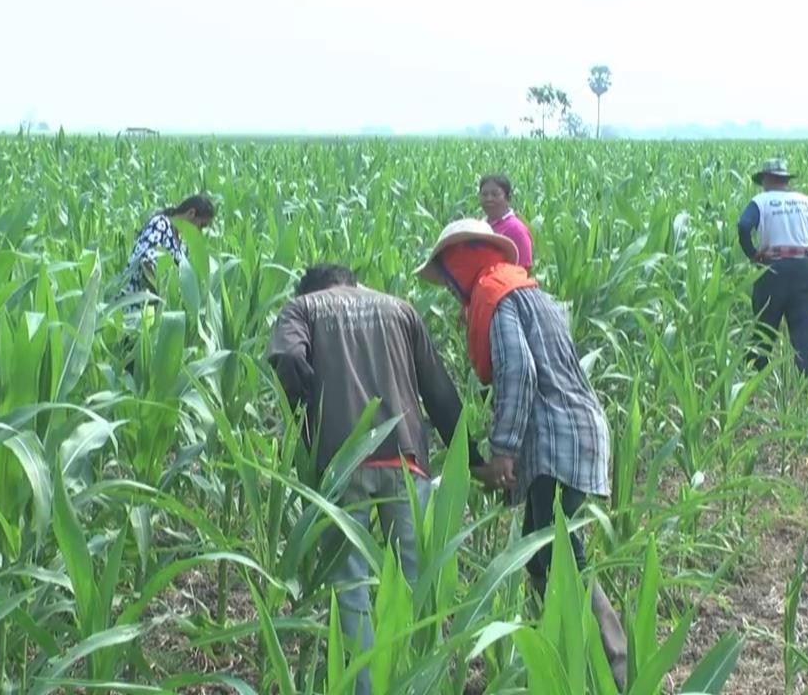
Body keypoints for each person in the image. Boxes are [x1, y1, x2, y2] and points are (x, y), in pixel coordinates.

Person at [414, 220, 628, 692]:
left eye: (449, 280)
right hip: (576, 430)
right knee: (539, 558)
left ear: (460, 265)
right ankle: (558, 664)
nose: (451, 291)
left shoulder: (498, 295)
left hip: (558, 436)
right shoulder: (527, 291)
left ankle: (615, 671)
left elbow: (519, 373)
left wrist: (503, 452)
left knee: (556, 556)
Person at [267, 264, 480, 695]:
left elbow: (287, 357)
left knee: (351, 587)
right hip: (406, 461)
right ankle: (420, 683)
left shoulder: (302, 308)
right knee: (416, 584)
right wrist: (472, 458)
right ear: (351, 282)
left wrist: (303, 410)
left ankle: (366, 688)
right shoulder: (400, 310)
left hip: (342, 464)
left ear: (314, 289)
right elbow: (438, 390)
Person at [737, 158, 808, 374]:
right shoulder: (806, 202)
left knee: (764, 326)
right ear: (785, 180)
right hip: (803, 267)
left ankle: (754, 378)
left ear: (767, 179)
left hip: (772, 268)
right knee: (804, 330)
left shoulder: (760, 201)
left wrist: (752, 254)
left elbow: (743, 226)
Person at [118, 194, 216, 297]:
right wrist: (162, 292)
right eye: (201, 225)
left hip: (156, 304)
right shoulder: (160, 224)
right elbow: (146, 261)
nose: (200, 231)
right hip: (136, 299)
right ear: (191, 213)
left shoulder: (181, 242)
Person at [478, 174, 534, 272]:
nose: (489, 199)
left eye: (495, 194)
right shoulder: (479, 226)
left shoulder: (516, 229)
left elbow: (524, 268)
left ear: (508, 198)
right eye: (484, 194)